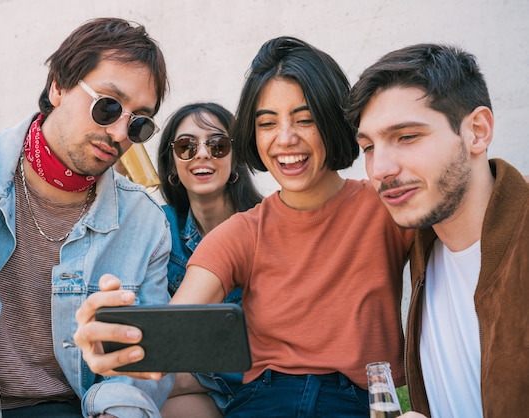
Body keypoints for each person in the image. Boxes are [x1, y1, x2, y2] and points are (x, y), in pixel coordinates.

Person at [75, 36, 414, 418]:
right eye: (267, 123)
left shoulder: (386, 205)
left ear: (333, 120)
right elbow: (175, 324)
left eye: (304, 119)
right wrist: (111, 338)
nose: (285, 139)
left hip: (358, 402)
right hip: (264, 401)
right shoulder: (241, 232)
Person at [0, 17, 174, 418]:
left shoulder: (145, 223)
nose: (119, 133)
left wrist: (117, 410)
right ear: (59, 87)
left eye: (138, 123)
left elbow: (139, 369)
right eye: (109, 106)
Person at [345, 43, 529, 417]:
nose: (379, 168)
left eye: (407, 137)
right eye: (367, 147)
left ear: (477, 131)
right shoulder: (424, 243)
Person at [156, 103, 263, 417]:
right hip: (200, 387)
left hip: (264, 386)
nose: (202, 154)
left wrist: (188, 377)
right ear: (172, 166)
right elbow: (163, 337)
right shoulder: (162, 229)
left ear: (236, 158)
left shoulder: (268, 226)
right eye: (186, 146)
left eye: (218, 145)